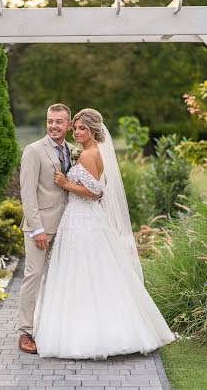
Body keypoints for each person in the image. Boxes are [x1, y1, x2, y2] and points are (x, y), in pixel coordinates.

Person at [33, 108, 175, 359]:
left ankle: (89, 334)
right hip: (82, 218)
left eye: (81, 128)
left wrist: (66, 184)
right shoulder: (89, 151)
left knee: (84, 271)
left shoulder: (89, 154)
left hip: (83, 218)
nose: (76, 132)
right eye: (75, 128)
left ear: (93, 130)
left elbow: (96, 192)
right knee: (92, 270)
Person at [18, 103, 99, 353]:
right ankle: (25, 331)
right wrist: (36, 229)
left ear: (68, 126)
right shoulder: (33, 151)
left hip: (69, 228)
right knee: (33, 276)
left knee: (61, 280)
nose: (53, 125)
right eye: (50, 121)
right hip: (41, 228)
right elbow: (27, 193)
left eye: (59, 122)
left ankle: (53, 328)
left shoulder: (75, 151)